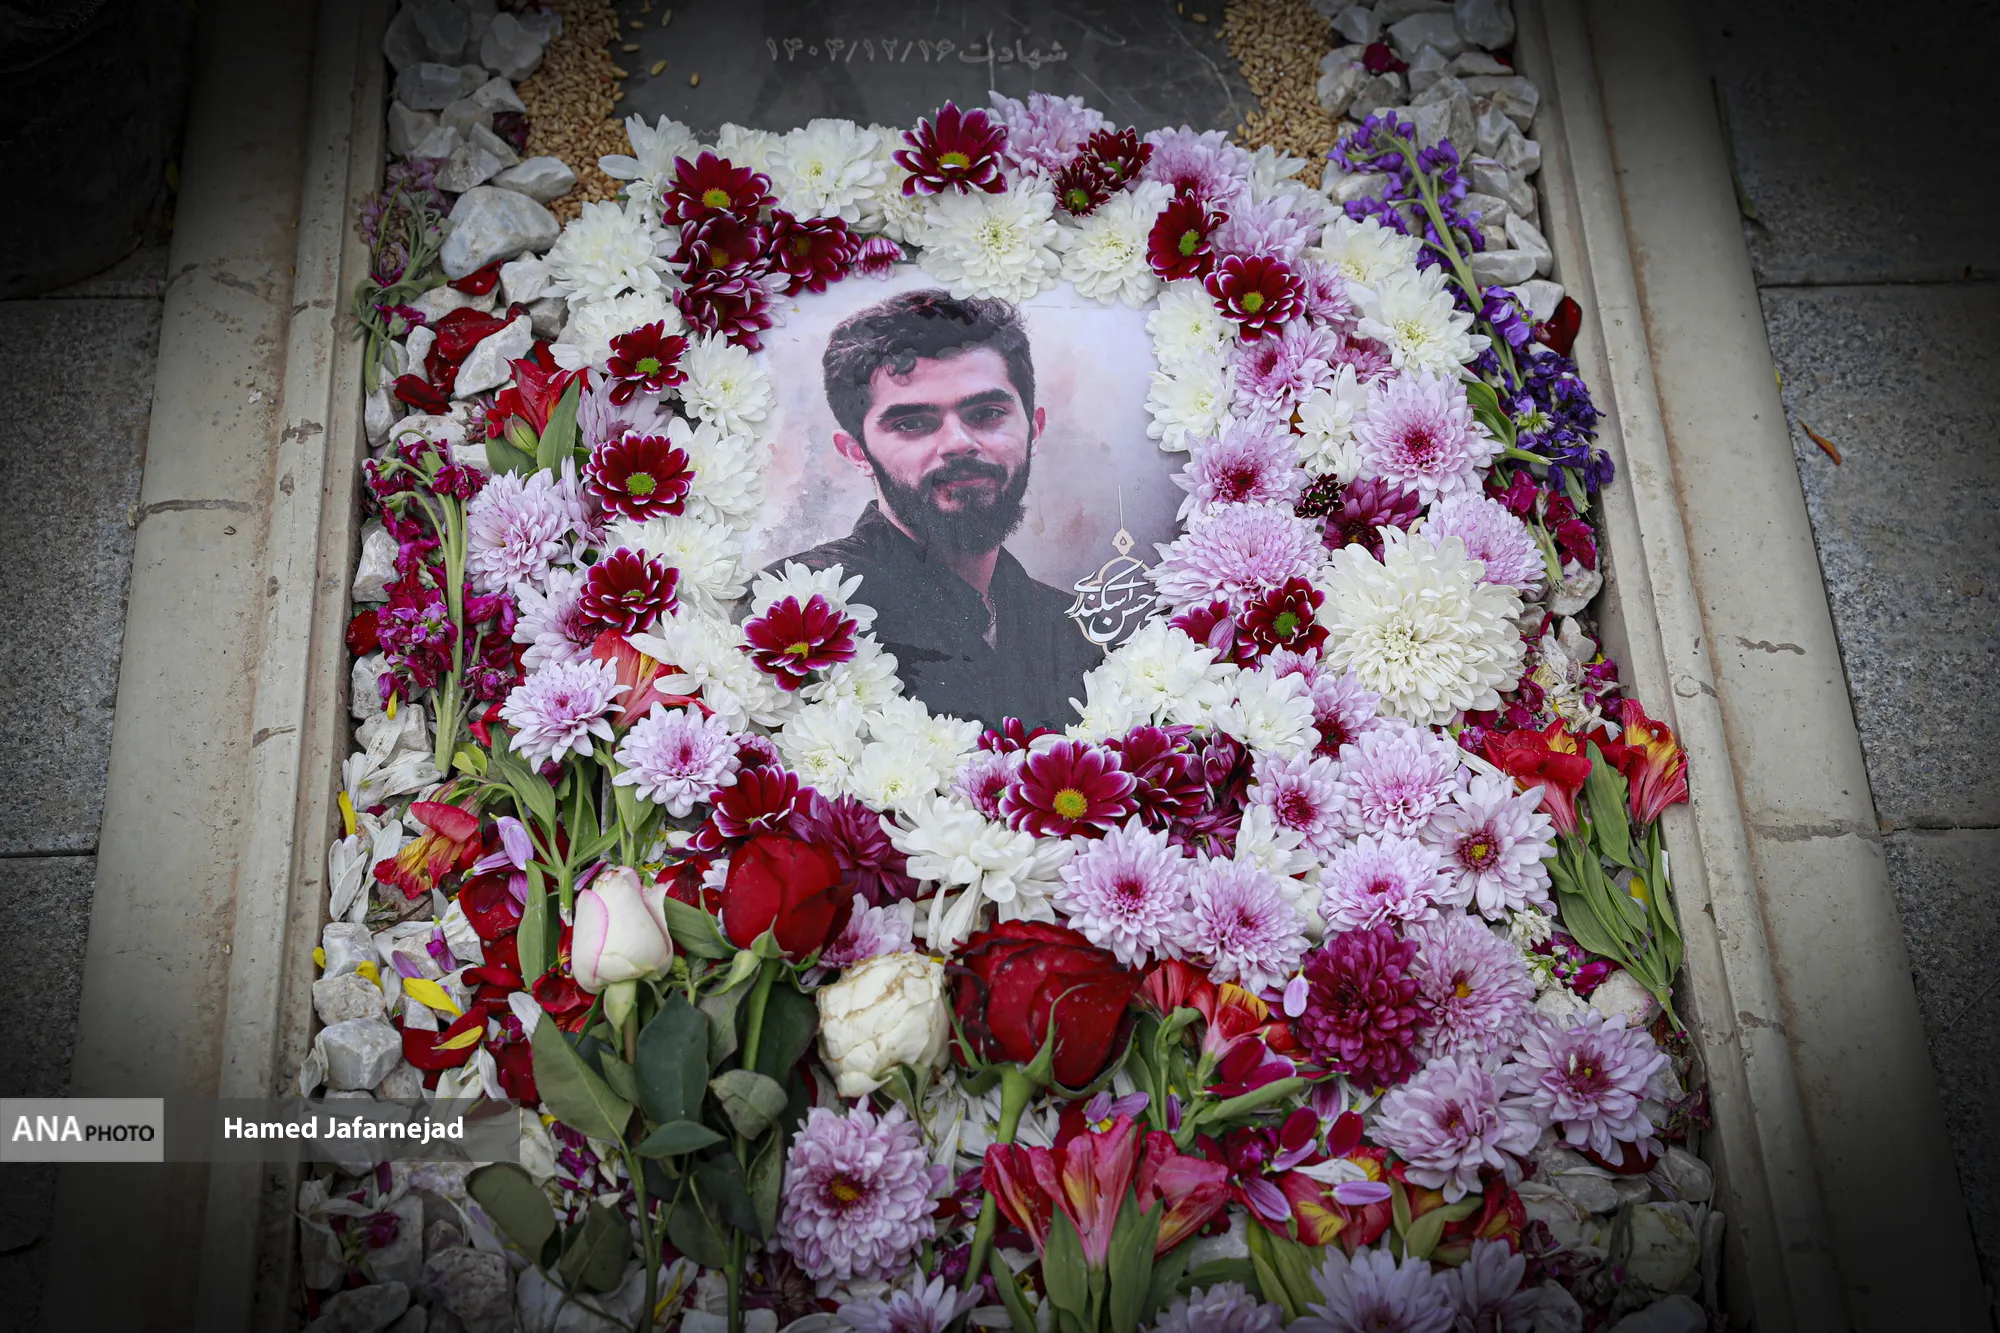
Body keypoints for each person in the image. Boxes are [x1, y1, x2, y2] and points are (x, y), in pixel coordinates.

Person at [774, 288, 1101, 730]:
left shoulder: (1077, 630)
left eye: (987, 413)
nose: (959, 443)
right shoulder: (790, 613)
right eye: (912, 423)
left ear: (1034, 430)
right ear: (856, 452)